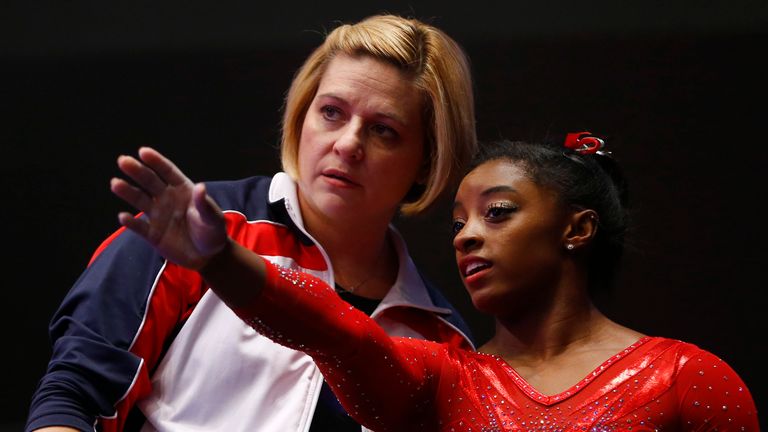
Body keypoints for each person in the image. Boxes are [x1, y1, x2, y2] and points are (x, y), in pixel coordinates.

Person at [103, 133, 759, 431]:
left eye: (497, 213)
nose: (466, 236)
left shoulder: (685, 380)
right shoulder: (444, 383)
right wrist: (221, 260)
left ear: (577, 230)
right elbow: (342, 335)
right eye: (458, 221)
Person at [26, 14, 478, 432]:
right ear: (302, 116)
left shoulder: (443, 337)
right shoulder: (193, 231)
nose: (347, 144)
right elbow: (73, 397)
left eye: (384, 130)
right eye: (332, 112)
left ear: (428, 160)